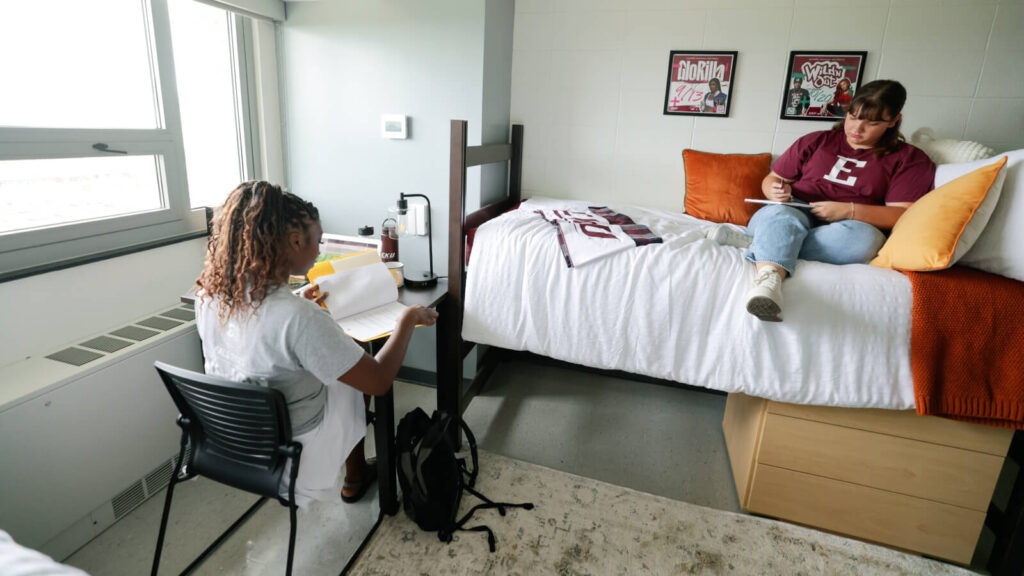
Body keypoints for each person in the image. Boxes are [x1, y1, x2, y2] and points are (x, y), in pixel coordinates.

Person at [194, 180, 438, 506]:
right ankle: (354, 475)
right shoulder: (299, 318)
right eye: (317, 241)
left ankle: (356, 475)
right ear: (295, 241)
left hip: (231, 440)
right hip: (294, 452)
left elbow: (257, 337)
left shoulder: (209, 297)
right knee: (358, 372)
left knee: (339, 365)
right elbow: (379, 381)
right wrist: (407, 319)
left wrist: (296, 298)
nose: (318, 250)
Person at [705, 79, 936, 321]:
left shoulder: (910, 159)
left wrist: (850, 211)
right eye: (853, 117)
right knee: (781, 215)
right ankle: (768, 281)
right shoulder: (817, 140)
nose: (857, 128)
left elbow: (902, 215)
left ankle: (756, 244)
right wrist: (774, 190)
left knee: (865, 241)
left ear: (894, 121)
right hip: (793, 209)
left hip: (852, 225)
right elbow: (773, 178)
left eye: (872, 123)